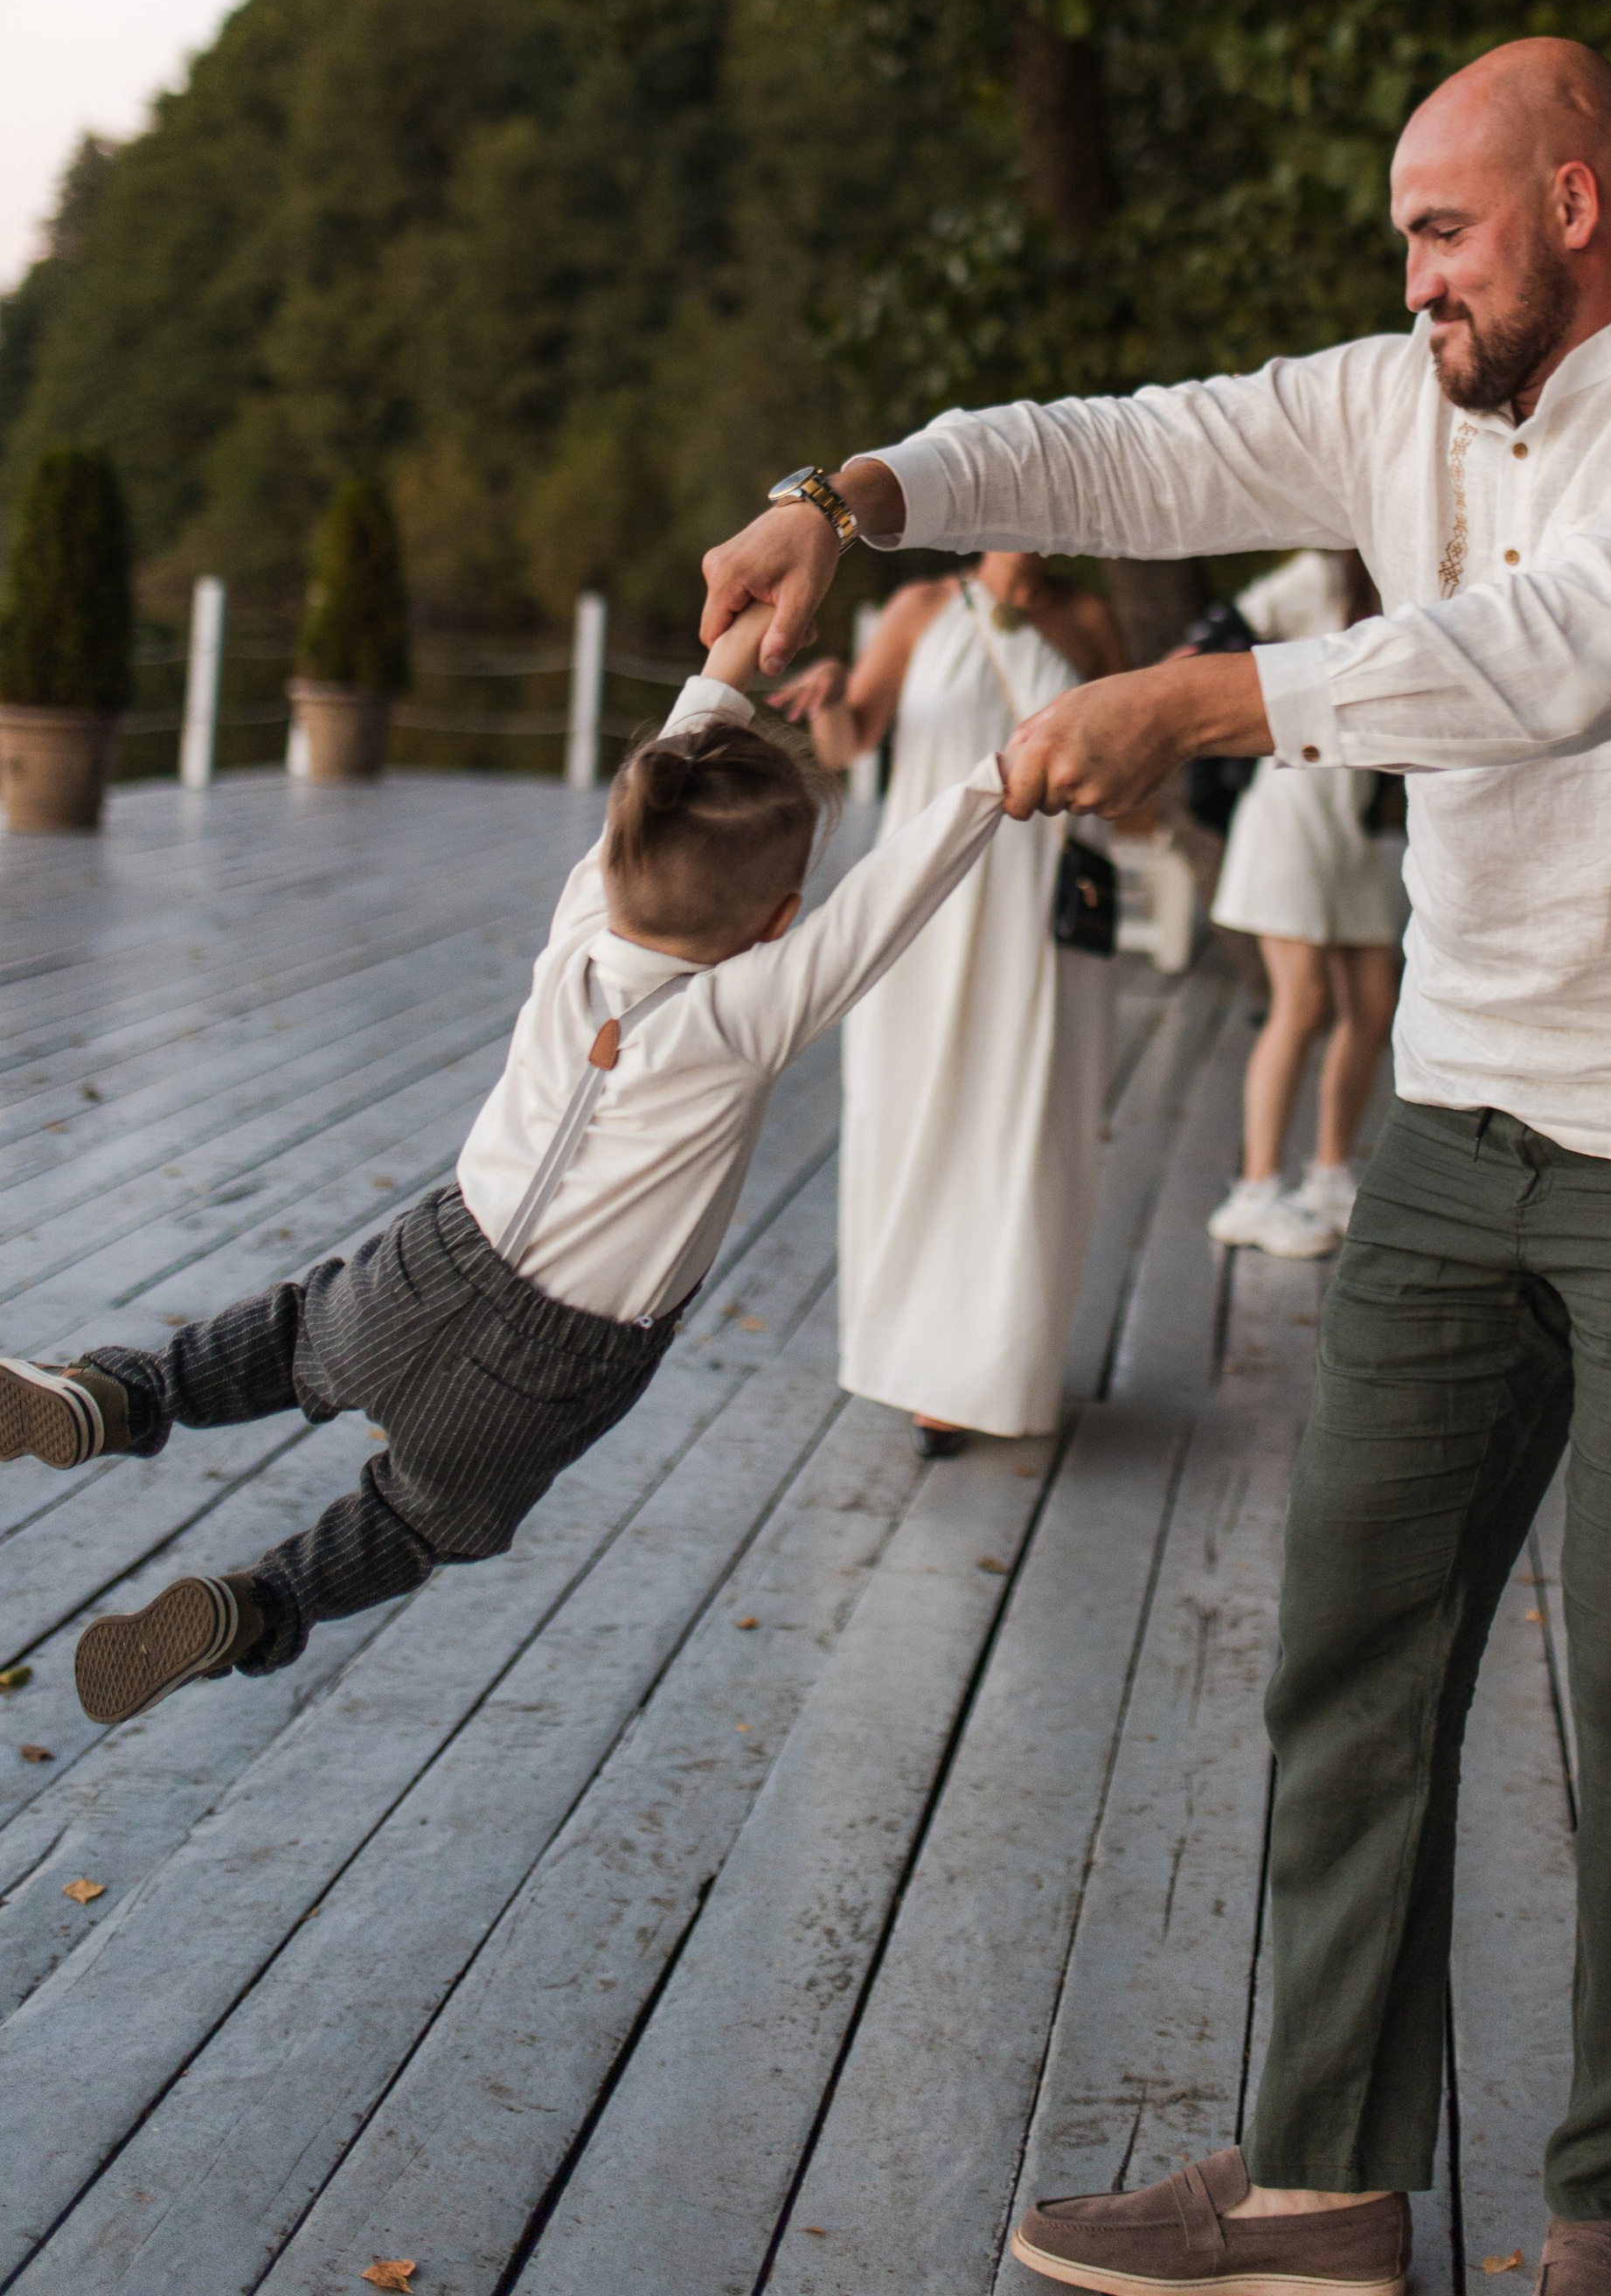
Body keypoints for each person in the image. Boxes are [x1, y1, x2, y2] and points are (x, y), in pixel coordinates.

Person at [705, 36, 1611, 2296]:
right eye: (1399, 250)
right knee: (1351, 1650)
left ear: (1574, 203)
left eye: (1442, 234)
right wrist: (842, 497)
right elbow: (1125, 443)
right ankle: (1325, 2187)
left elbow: (1592, 646)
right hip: (1452, 1122)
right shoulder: (1394, 398)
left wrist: (1214, 705)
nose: (1414, 281)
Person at [0, 600, 1010, 1727]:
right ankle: (256, 1605)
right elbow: (888, 900)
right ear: (778, 921)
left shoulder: (583, 916)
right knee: (417, 1519)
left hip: (440, 1254)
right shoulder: (749, 1013)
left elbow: (681, 750)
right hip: (560, 1357)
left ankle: (118, 1394)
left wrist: (732, 654)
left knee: (293, 1339)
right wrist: (1000, 781)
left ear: (621, 853)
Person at [774, 551, 1122, 1453]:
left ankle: (998, 1370)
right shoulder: (921, 607)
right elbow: (851, 744)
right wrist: (832, 698)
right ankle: (918, 1364)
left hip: (1039, 910)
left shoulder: (1087, 623)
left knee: (1025, 1129)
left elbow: (1130, 773)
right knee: (914, 1118)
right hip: (924, 900)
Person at [1205, 551, 1402, 1259]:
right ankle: (1252, 1194)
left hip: (1345, 817)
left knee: (1374, 1003)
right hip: (1289, 804)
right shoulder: (1320, 574)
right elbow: (1218, 636)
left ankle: (1328, 1176)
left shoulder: (1404, 574)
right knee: (1303, 1002)